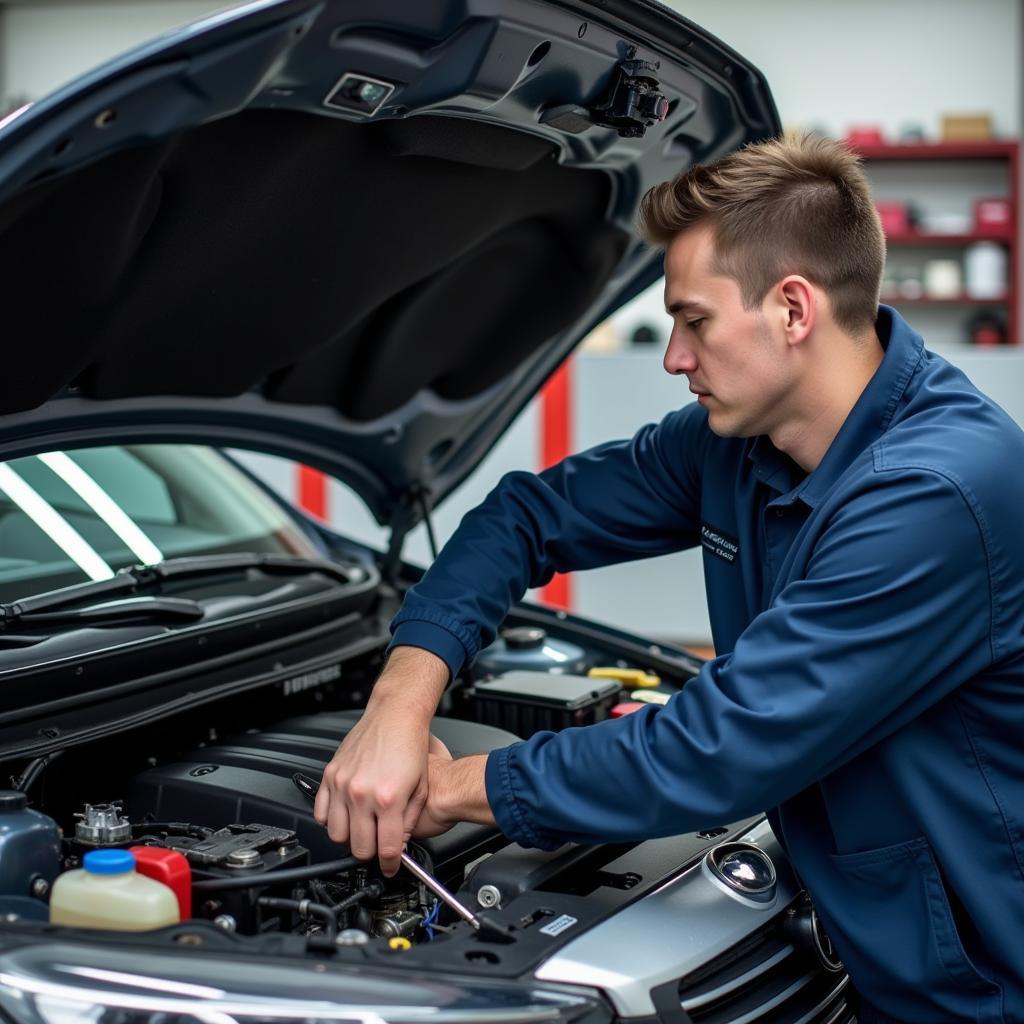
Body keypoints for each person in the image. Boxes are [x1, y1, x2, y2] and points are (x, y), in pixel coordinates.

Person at [314, 134, 1024, 1022]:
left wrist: (451, 787)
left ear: (793, 309)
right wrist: (398, 706)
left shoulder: (938, 493)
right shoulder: (738, 442)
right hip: (864, 936)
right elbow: (525, 517)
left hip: (977, 986)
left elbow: (719, 748)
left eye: (694, 320)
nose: (673, 357)